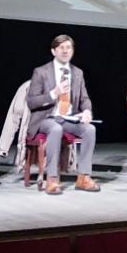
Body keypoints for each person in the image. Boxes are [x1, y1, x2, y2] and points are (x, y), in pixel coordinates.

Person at [25, 33, 99, 194]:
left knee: (90, 129)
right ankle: (52, 179)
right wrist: (53, 93)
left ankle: (83, 177)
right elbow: (31, 102)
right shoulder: (41, 72)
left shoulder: (77, 73)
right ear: (54, 51)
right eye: (61, 48)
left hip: (68, 118)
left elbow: (85, 99)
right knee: (55, 129)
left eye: (69, 48)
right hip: (46, 118)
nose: (65, 51)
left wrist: (86, 111)